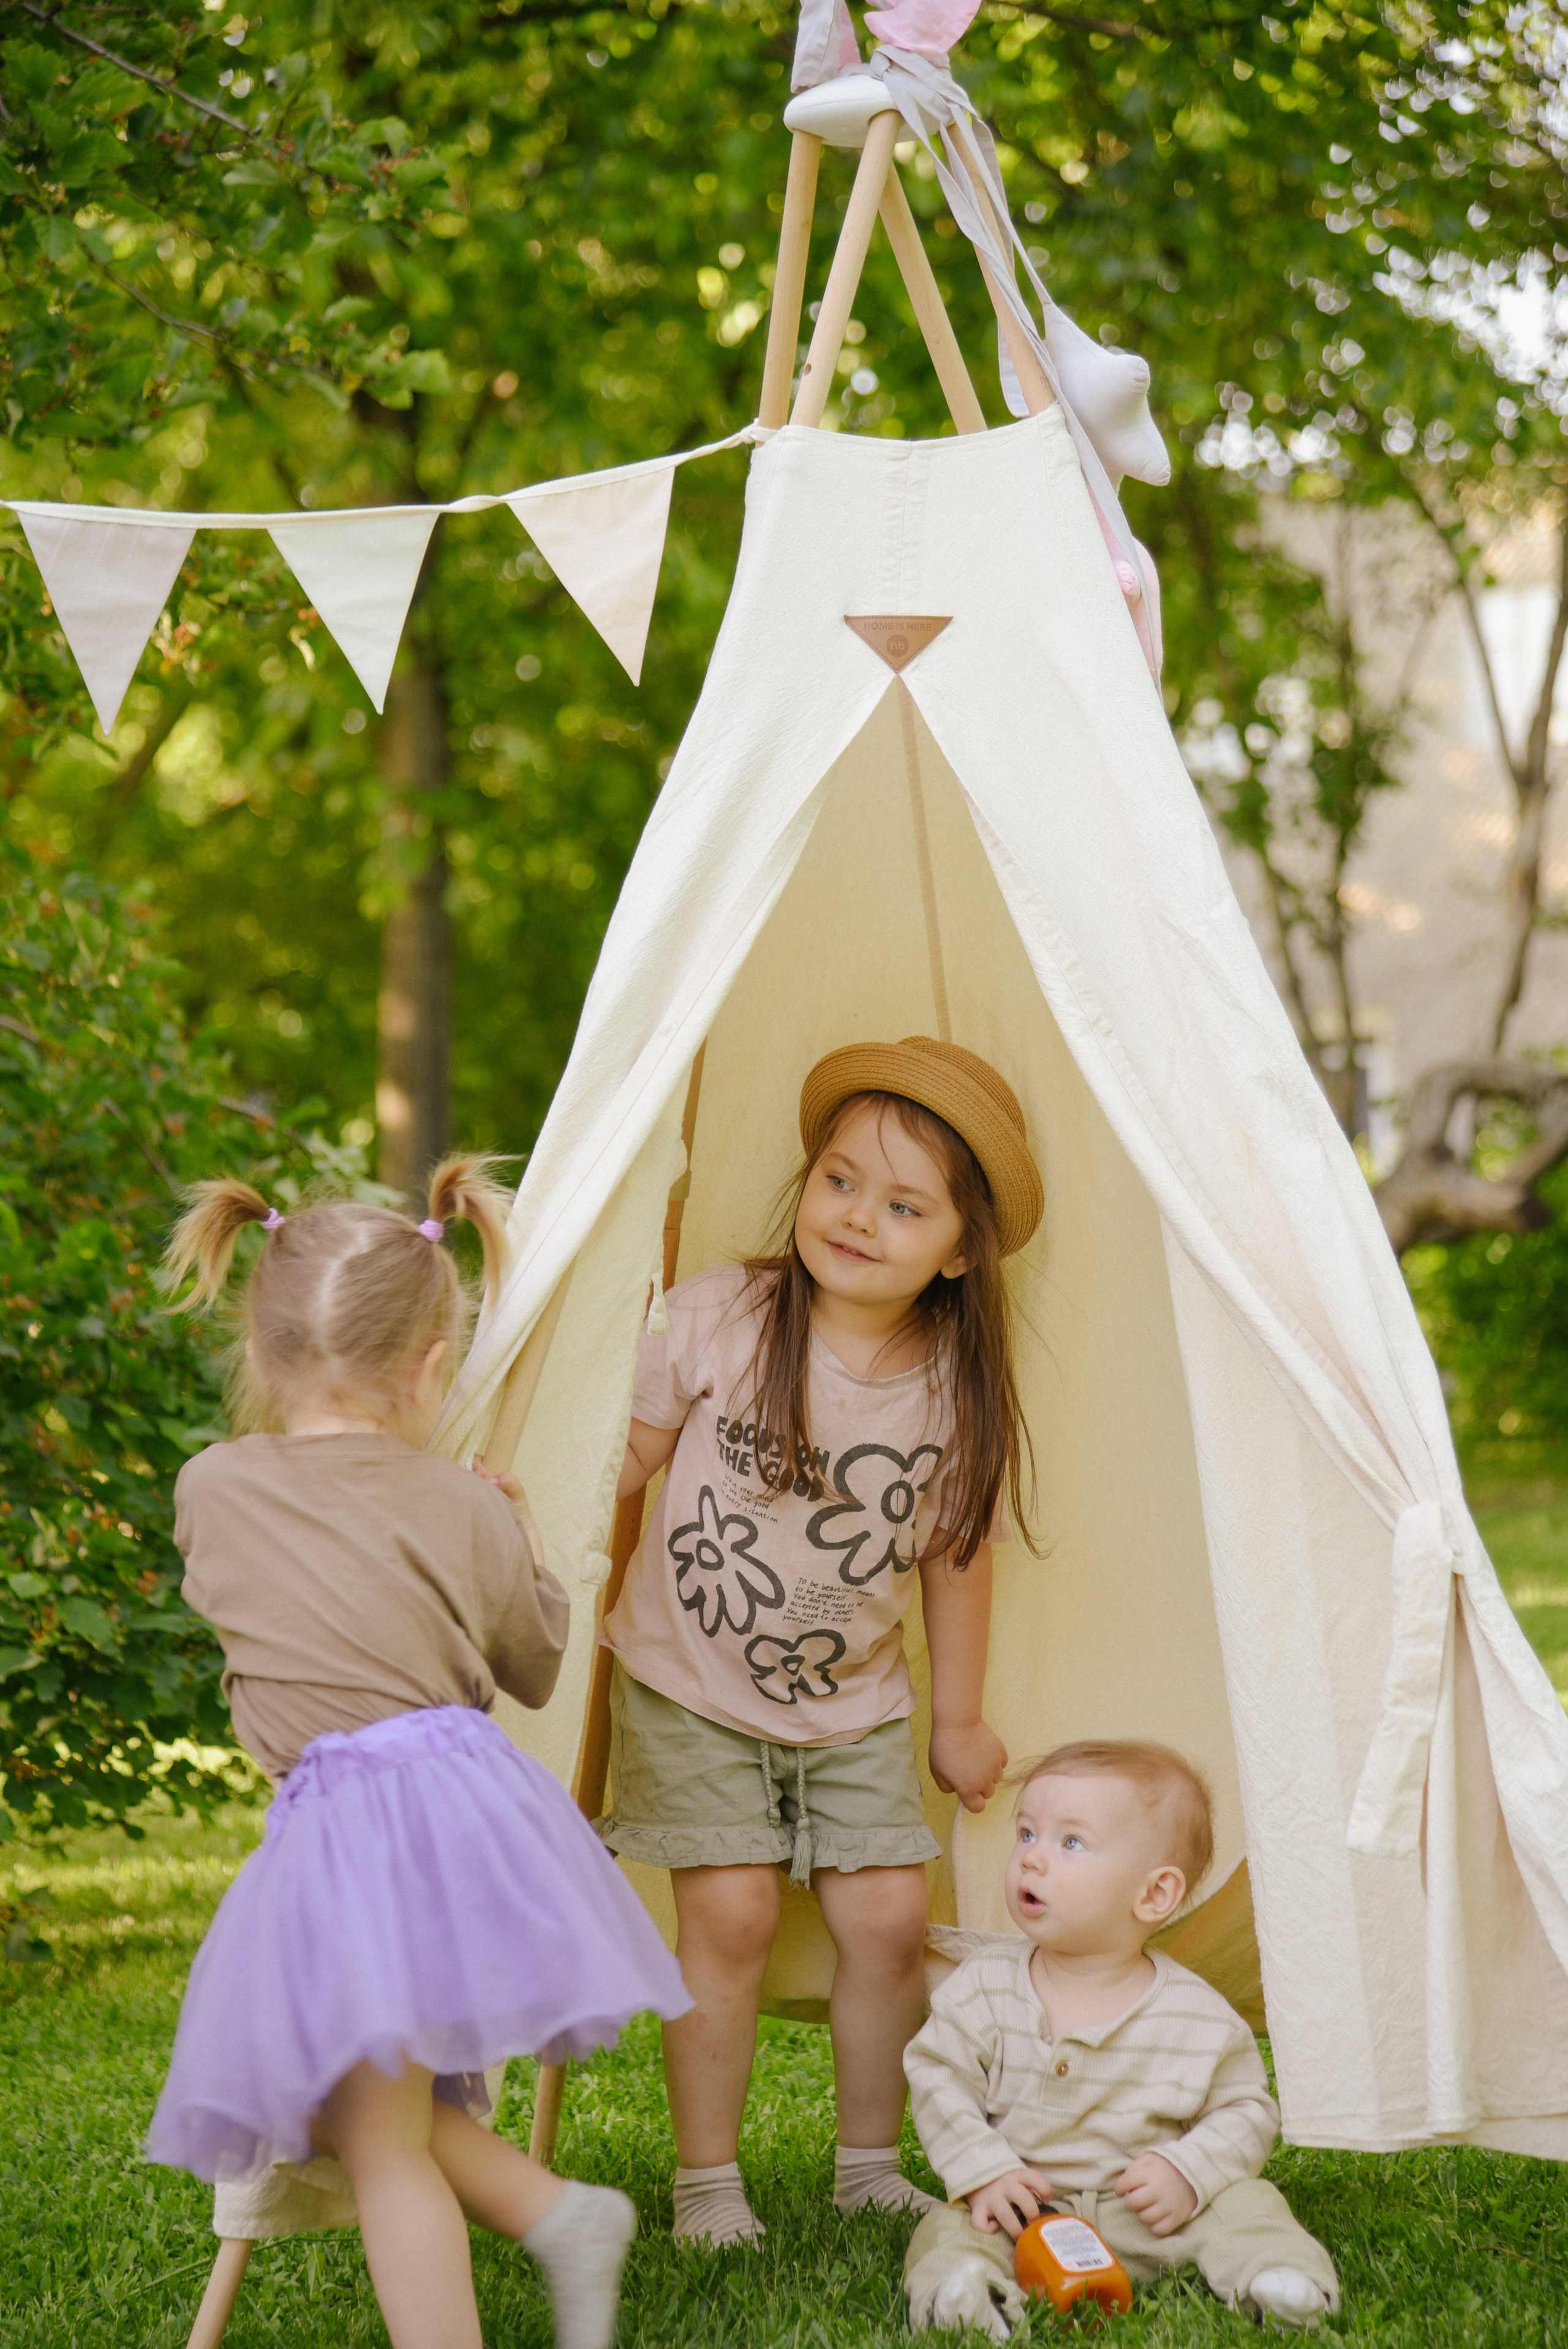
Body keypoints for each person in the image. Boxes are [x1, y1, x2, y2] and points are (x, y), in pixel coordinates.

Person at [145, 1159, 692, 2349]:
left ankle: (552, 2221)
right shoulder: (466, 1503)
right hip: (461, 1807)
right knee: (365, 2106)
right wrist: (520, 1531)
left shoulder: (211, 1486)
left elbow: (258, 1619)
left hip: (352, 1818)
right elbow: (536, 1664)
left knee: (380, 2135)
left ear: (261, 1338)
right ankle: (556, 2213)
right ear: (433, 1365)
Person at [596, 1036, 1044, 2245]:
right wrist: (541, 1491)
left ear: (956, 1252)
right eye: (840, 1180)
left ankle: (865, 2162)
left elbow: (954, 1558)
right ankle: (705, 2184)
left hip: (855, 1705)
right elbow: (627, 1460)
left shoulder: (954, 1387)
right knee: (731, 1915)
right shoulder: (717, 1317)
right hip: (686, 1683)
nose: (855, 1217)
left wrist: (954, 1719)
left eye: (902, 1206)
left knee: (891, 1922)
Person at [902, 1741, 1340, 2337]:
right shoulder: (983, 1985)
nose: (1031, 1859)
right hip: (1025, 2208)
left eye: (1070, 1842)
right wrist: (983, 2171)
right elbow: (937, 2075)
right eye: (1027, 1833)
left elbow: (1245, 2110)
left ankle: (1279, 2278)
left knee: (1248, 2205)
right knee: (946, 2228)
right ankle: (964, 2292)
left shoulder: (1195, 2016)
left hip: (1148, 2212)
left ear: (1153, 1894)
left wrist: (1187, 2171)